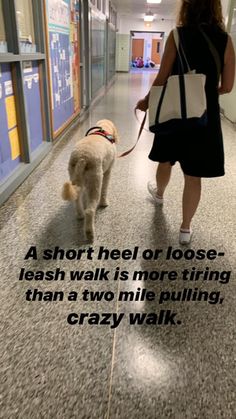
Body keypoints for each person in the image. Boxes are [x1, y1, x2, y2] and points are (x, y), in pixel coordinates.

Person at [135, 0, 235, 245]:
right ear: (216, 9)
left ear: (187, 8)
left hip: (174, 110)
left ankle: (159, 195)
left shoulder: (176, 35)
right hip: (205, 118)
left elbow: (162, 77)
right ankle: (185, 228)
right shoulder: (225, 40)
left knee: (166, 159)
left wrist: (146, 101)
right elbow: (228, 86)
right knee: (194, 175)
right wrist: (206, 92)